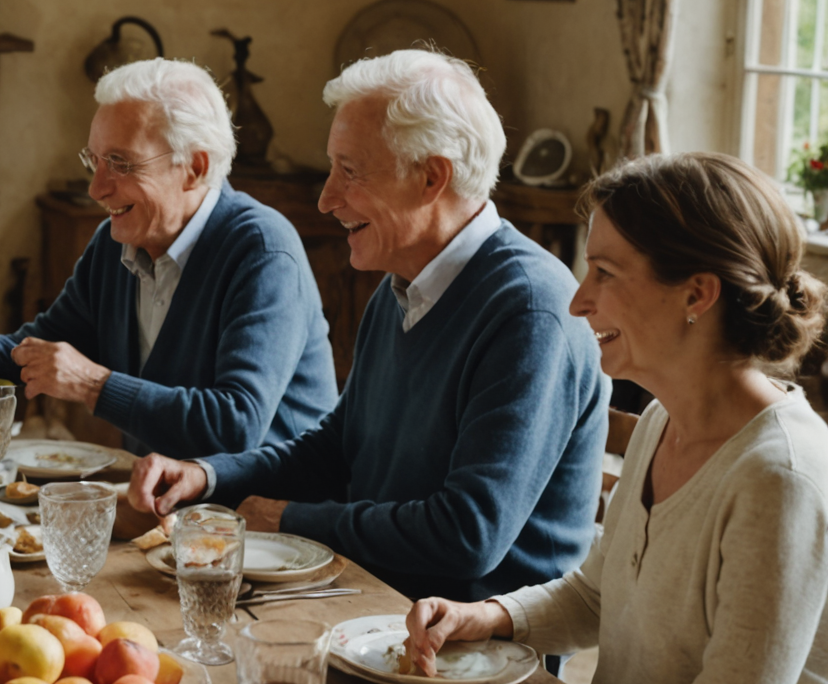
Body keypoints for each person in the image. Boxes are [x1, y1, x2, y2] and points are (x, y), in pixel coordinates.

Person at [405, 153, 828, 684]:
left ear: (697, 293)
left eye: (605, 273)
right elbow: (598, 595)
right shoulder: (665, 418)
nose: (577, 302)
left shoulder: (780, 477)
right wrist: (490, 616)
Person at [128, 49, 607, 603]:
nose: (327, 199)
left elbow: (467, 534)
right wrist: (210, 476)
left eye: (350, 172)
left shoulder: (529, 311)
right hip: (374, 602)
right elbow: (339, 448)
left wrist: (289, 519)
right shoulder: (402, 283)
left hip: (472, 659)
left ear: (432, 177)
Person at [0, 58, 337, 458]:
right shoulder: (114, 242)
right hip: (166, 502)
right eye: (94, 161)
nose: (96, 189)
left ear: (194, 167)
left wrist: (92, 385)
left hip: (266, 512)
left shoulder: (262, 250)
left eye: (121, 164)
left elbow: (235, 427)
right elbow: (31, 351)